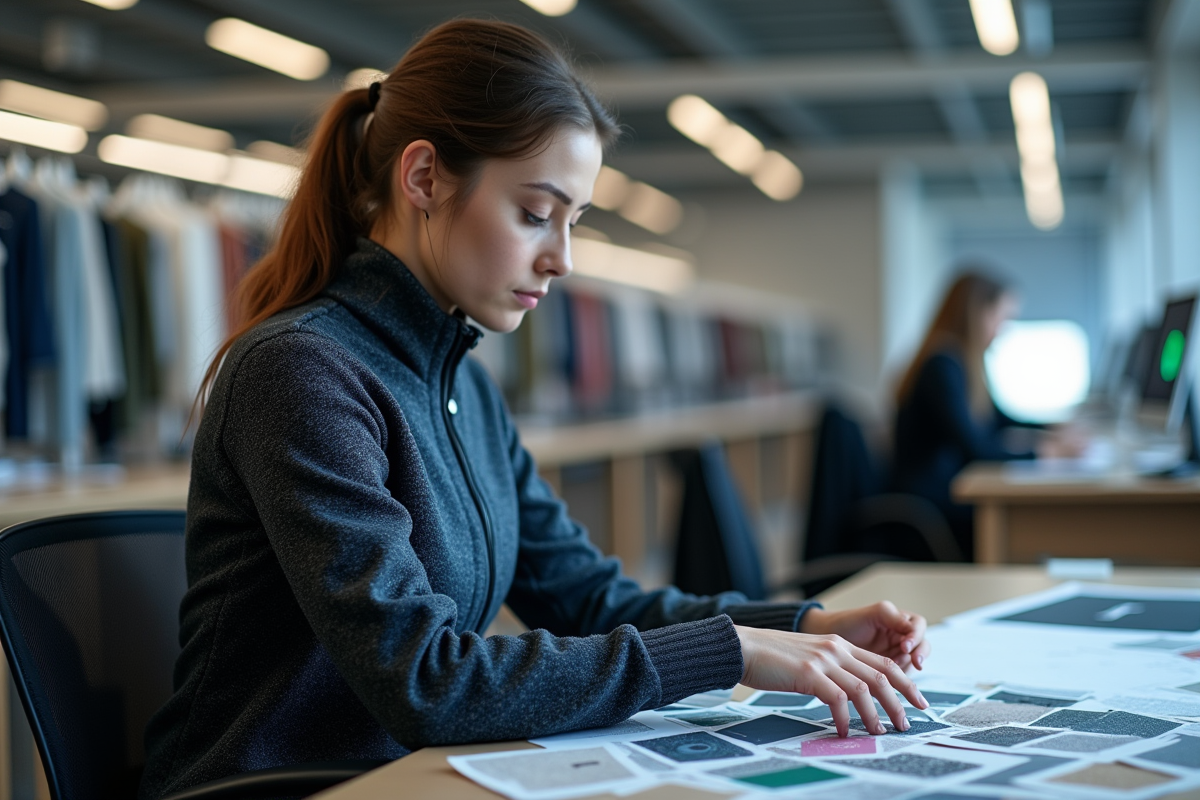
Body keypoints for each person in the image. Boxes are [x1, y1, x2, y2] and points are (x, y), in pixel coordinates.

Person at [140, 20, 931, 798]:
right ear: (424, 178)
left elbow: (591, 600)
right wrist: (730, 654)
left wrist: (799, 629)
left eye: (572, 222)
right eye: (535, 214)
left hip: (406, 778)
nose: (563, 259)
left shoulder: (464, 386)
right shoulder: (301, 372)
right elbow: (428, 681)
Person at [891, 271, 1083, 561]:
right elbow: (976, 448)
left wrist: (1052, 427)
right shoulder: (941, 366)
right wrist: (1047, 452)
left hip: (948, 492)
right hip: (931, 504)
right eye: (1001, 318)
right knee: (1031, 520)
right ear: (977, 313)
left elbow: (999, 420)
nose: (1003, 330)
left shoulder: (961, 363)